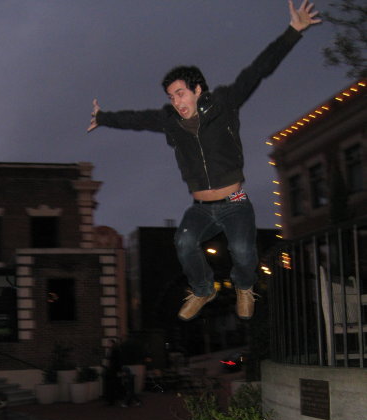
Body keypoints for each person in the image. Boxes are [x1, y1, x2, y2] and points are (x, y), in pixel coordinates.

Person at [88, 1, 321, 321]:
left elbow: (257, 71)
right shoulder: (171, 121)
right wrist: (103, 118)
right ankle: (203, 289)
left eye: (181, 93)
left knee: (243, 251)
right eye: (171, 97)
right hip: (201, 207)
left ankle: (244, 287)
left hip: (235, 202)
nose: (176, 102)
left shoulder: (224, 102)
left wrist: (293, 31)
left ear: (197, 89)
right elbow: (137, 119)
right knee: (184, 242)